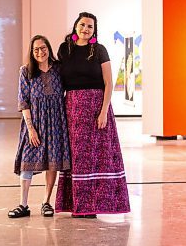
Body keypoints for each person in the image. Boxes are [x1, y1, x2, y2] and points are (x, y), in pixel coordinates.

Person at [55, 12, 130, 218]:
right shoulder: (65, 49)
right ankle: (79, 205)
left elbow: (109, 83)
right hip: (72, 109)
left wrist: (104, 111)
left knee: (99, 156)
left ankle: (95, 205)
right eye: (82, 25)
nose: (85, 29)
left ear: (94, 30)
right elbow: (56, 79)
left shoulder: (99, 50)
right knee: (78, 157)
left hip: (97, 108)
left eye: (90, 26)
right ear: (75, 26)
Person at [8, 35, 71, 218]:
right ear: (31, 52)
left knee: (52, 163)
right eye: (36, 49)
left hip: (56, 123)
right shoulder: (25, 71)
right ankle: (23, 204)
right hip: (34, 122)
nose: (40, 52)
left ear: (48, 49)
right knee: (27, 162)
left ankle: (46, 202)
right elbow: (23, 102)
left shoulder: (58, 69)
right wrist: (31, 129)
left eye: (43, 48)